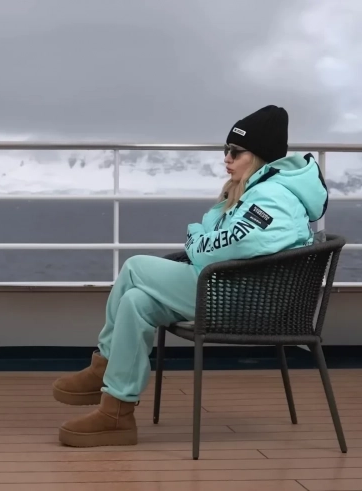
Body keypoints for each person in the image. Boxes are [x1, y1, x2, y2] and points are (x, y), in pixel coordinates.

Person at [50, 105, 328, 447]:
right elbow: (215, 239)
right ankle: (117, 412)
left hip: (248, 302)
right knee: (136, 302)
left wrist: (196, 239)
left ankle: (103, 366)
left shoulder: (274, 196)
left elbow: (229, 244)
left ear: (259, 156)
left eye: (236, 151)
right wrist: (204, 237)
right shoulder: (251, 189)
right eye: (225, 149)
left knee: (135, 267)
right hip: (230, 288)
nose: (226, 157)